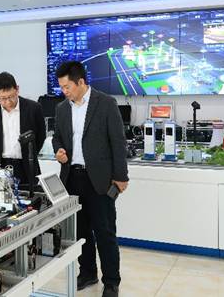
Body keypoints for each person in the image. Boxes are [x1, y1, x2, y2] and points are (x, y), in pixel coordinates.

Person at [52, 60, 129, 297]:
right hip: (72, 178)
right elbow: (57, 137)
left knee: (105, 232)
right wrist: (59, 151)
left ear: (81, 82)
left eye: (67, 87)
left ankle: (111, 281)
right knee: (80, 231)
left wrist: (121, 176)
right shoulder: (62, 108)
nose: (64, 91)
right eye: (61, 87)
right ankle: (87, 272)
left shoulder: (105, 103)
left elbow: (118, 142)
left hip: (100, 179)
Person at [0, 72, 45, 187]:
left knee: (29, 196)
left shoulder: (34, 108)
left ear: (17, 89)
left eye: (11, 97)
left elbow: (40, 136)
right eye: (2, 98)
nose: (8, 102)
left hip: (26, 165)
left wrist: (29, 153)